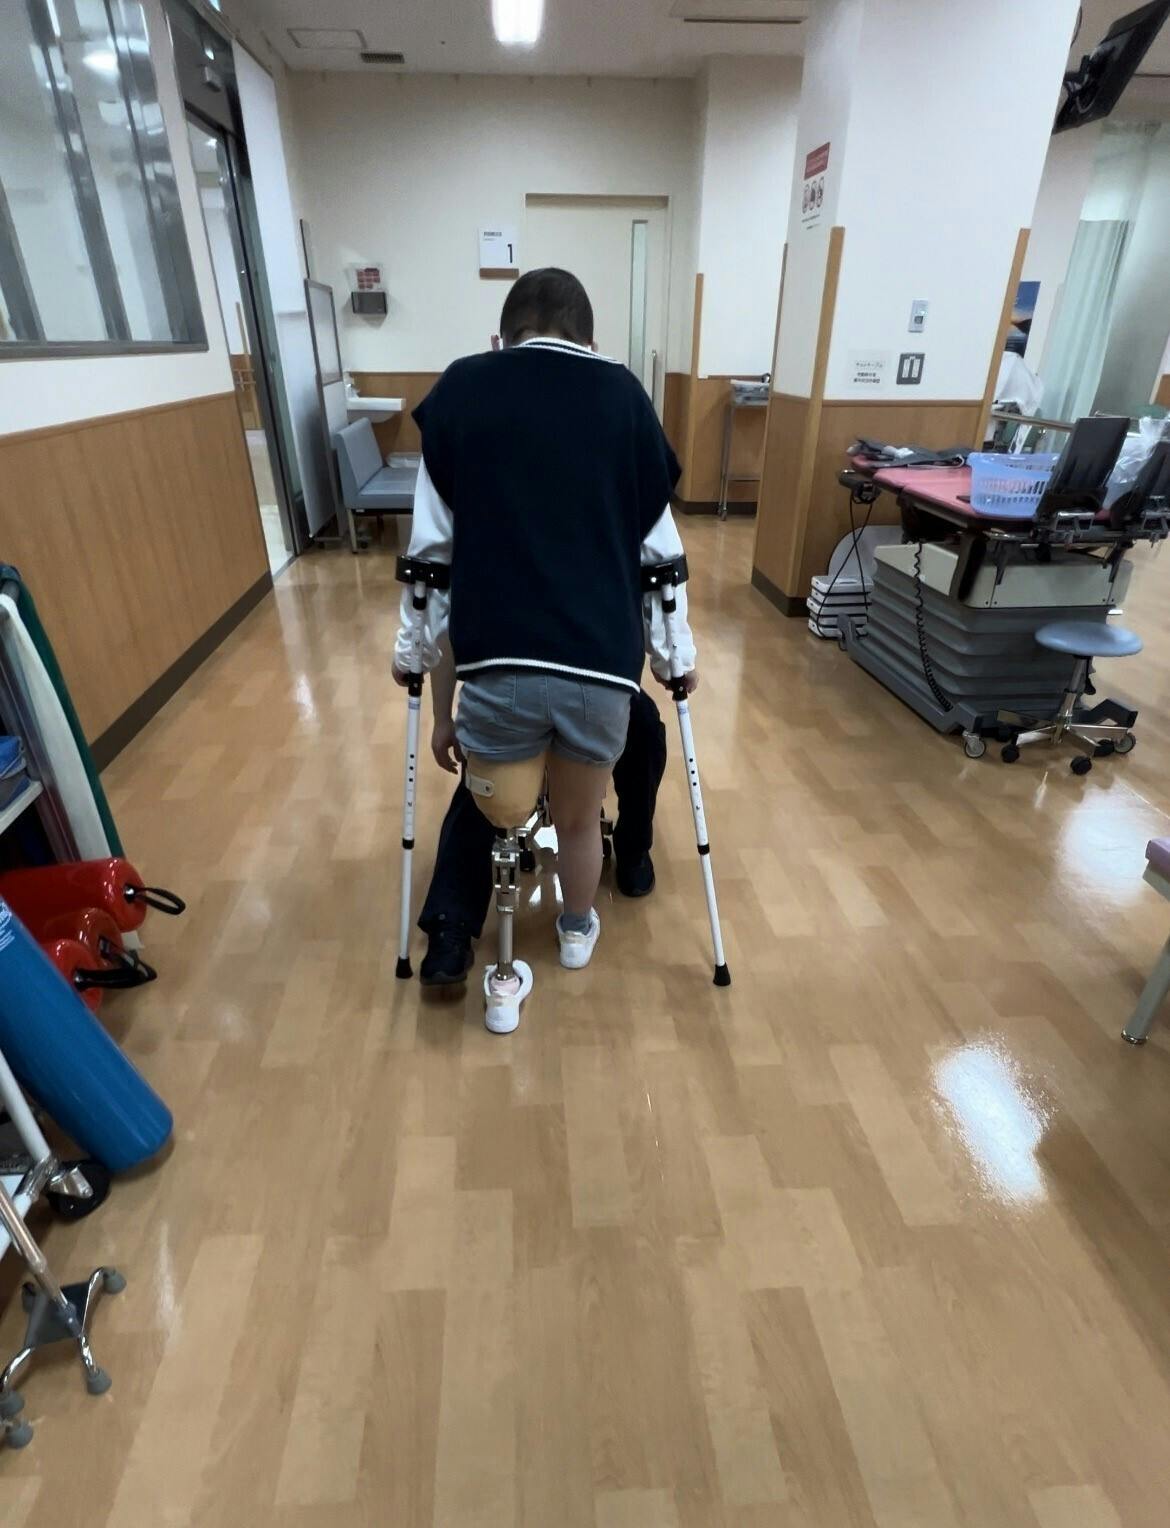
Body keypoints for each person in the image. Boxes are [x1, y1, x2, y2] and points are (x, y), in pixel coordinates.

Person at [394, 266, 697, 977]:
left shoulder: (463, 389)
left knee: (495, 808)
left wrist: (411, 653)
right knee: (580, 821)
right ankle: (575, 932)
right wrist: (674, 658)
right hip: (599, 667)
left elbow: (430, 557)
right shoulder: (623, 396)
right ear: (590, 342)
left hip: (497, 663)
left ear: (501, 338)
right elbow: (661, 559)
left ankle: (471, 929)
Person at [417, 686, 668, 986]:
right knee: (487, 765)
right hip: (515, 681)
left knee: (644, 725)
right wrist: (442, 717)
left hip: (591, 679)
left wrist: (676, 665)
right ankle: (451, 918)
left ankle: (633, 846)